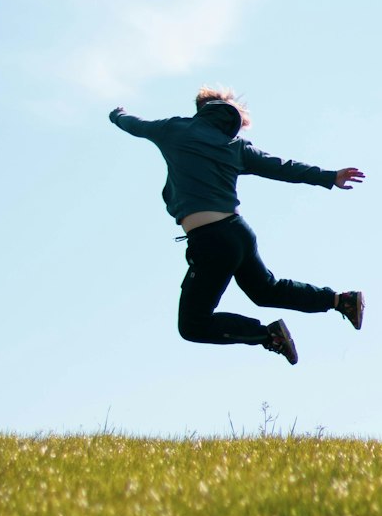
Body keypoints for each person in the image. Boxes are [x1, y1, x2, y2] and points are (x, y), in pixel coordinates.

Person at [108, 86, 365, 365]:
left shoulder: (174, 130)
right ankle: (341, 301)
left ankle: (268, 336)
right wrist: (328, 176)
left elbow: (135, 125)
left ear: (201, 110)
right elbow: (281, 166)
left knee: (193, 325)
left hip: (211, 240)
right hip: (237, 232)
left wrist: (117, 114)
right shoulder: (235, 146)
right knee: (266, 290)